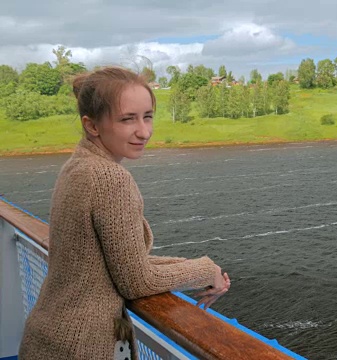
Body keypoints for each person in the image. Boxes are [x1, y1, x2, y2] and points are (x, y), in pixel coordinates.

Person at [18, 66, 230, 359]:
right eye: (127, 119)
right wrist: (205, 270)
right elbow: (136, 281)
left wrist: (197, 267)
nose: (143, 131)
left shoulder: (77, 167)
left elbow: (119, 263)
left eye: (147, 116)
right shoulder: (110, 178)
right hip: (82, 347)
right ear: (92, 125)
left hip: (49, 337)